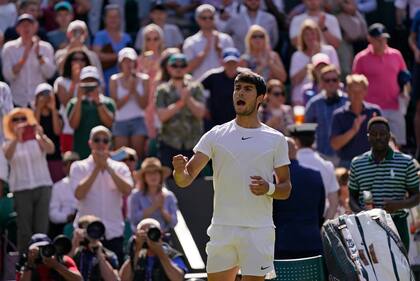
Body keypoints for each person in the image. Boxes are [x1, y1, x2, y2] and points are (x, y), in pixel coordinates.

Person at [172, 71, 292, 281]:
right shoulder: (215, 135)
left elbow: (286, 189)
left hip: (258, 230)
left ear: (260, 98)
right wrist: (179, 170)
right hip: (223, 228)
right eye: (237, 88)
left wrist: (269, 188)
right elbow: (185, 179)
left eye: (247, 89)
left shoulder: (276, 139)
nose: (240, 93)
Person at [349, 116, 420, 251]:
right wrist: (362, 213)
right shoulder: (357, 163)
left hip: (397, 223)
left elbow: (417, 196)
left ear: (389, 136)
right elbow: (352, 197)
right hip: (367, 225)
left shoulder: (405, 162)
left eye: (382, 134)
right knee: (372, 269)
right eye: (374, 134)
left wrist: (399, 204)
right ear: (368, 137)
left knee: (399, 268)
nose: (378, 138)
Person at [70, 125, 133, 264]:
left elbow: (127, 190)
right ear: (90, 143)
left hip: (113, 232)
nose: (101, 143)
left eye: (105, 140)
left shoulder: (120, 167)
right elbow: (79, 194)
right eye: (97, 139)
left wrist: (108, 168)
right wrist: (97, 168)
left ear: (109, 144)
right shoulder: (78, 167)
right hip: (85, 234)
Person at [2, 108, 55, 252]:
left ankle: (43, 263)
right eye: (16, 120)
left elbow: (51, 149)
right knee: (25, 230)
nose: (20, 122)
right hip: (21, 189)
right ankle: (26, 266)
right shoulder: (8, 142)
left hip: (42, 186)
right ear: (10, 124)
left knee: (42, 228)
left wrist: (41, 135)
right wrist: (16, 138)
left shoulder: (37, 139)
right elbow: (7, 155)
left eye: (23, 119)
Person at [352, 23, 408, 146]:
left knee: (398, 144)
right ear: (369, 39)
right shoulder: (361, 58)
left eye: (384, 39)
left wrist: (404, 93)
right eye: (378, 40)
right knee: (374, 145)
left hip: (394, 106)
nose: (382, 42)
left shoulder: (396, 55)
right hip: (371, 109)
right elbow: (354, 85)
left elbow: (404, 77)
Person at [274, 137, 325, 259]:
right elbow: (320, 210)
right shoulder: (315, 176)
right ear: (296, 150)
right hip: (312, 243)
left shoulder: (272, 180)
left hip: (282, 245)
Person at [155, 53, 206, 167]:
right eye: (174, 65)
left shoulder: (196, 87)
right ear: (168, 68)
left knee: (196, 182)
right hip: (169, 142)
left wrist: (188, 99)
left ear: (187, 67)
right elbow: (162, 116)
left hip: (193, 143)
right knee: (169, 180)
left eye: (182, 65)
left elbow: (200, 113)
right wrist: (181, 103)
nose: (178, 69)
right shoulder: (162, 90)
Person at [2, 13, 56, 107]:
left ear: (35, 27)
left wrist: (39, 56)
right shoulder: (9, 48)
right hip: (17, 101)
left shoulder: (46, 47)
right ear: (17, 29)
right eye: (23, 25)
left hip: (40, 101)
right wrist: (24, 57)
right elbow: (8, 76)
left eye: (29, 25)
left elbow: (50, 74)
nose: (26, 28)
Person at [288, 123, 339, 220]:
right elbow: (334, 203)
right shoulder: (327, 166)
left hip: (290, 221)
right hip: (317, 223)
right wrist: (323, 228)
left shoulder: (289, 164)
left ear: (296, 141)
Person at [330, 74, 382, 168]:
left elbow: (384, 139)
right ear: (347, 92)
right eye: (353, 91)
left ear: (365, 91)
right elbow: (335, 145)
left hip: (372, 163)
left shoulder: (374, 112)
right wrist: (353, 130)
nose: (357, 95)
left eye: (360, 91)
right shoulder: (339, 115)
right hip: (348, 164)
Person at [67, 66, 115, 159]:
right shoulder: (73, 103)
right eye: (86, 82)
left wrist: (98, 101)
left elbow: (109, 122)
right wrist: (79, 100)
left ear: (98, 84)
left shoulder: (108, 102)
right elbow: (73, 125)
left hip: (103, 152)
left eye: (92, 82)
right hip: (81, 151)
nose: (89, 86)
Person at [110, 48, 149, 161]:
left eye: (131, 61)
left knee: (137, 157)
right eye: (125, 61)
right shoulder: (114, 80)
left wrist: (134, 90)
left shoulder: (144, 79)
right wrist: (130, 92)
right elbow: (116, 106)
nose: (128, 64)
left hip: (138, 120)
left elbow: (143, 105)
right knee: (121, 158)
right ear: (120, 63)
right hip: (120, 121)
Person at [304, 65, 348, 165]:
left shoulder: (348, 101)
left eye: (334, 80)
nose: (331, 83)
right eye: (327, 80)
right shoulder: (314, 103)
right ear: (322, 83)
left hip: (344, 156)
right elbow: (306, 128)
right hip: (322, 155)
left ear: (339, 82)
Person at [289, 19, 339, 105]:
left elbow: (336, 73)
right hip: (300, 99)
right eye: (306, 35)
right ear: (302, 37)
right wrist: (312, 59)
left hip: (327, 97)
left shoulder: (329, 51)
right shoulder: (297, 55)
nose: (310, 37)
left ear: (318, 35)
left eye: (312, 33)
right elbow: (294, 81)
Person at [119, 218, 187, 281]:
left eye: (151, 232)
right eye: (144, 233)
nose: (148, 237)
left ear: (161, 235)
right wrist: (136, 250)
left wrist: (160, 253)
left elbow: (178, 278)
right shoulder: (136, 256)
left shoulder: (172, 255)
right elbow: (123, 279)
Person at [55, 48, 93, 153]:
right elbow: (67, 104)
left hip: (87, 128)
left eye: (82, 59)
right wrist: (75, 82)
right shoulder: (61, 82)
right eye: (75, 59)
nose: (79, 62)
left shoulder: (92, 81)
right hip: (68, 129)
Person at [183, 4, 234, 80]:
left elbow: (232, 65)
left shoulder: (226, 39)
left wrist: (219, 51)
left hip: (222, 86)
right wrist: (204, 52)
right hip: (200, 86)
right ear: (197, 19)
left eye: (211, 17)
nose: (208, 20)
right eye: (204, 18)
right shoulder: (190, 41)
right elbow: (187, 68)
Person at [200, 47, 246, 129]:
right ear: (222, 62)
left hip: (241, 122)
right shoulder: (213, 76)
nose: (231, 65)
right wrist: (204, 107)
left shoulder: (246, 77)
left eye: (233, 62)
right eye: (228, 63)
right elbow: (196, 89)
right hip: (215, 122)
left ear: (239, 62)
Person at [129, 157, 178, 233]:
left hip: (162, 238)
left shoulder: (169, 196)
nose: (153, 176)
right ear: (144, 177)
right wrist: (155, 206)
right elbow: (133, 220)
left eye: (155, 172)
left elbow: (174, 222)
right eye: (149, 173)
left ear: (160, 175)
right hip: (141, 238)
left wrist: (162, 210)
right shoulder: (135, 195)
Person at [92, 4, 132, 95]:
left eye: (116, 17)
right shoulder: (100, 36)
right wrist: (120, 56)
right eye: (110, 17)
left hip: (124, 80)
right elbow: (97, 55)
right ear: (104, 19)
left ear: (120, 19)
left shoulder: (127, 37)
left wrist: (110, 57)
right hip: (105, 78)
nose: (113, 20)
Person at [72, 215, 120, 281]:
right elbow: (62, 266)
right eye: (89, 230)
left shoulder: (109, 255)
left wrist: (99, 253)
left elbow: (113, 279)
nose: (92, 233)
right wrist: (75, 243)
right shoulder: (75, 252)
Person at [17, 233, 82, 281]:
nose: (41, 252)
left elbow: (79, 279)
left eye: (44, 248)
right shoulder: (25, 263)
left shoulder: (63, 260)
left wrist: (57, 266)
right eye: (38, 249)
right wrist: (29, 265)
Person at [34, 83, 64, 183]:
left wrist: (53, 108)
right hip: (38, 158)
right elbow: (35, 130)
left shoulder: (57, 115)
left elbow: (57, 131)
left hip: (55, 158)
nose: (45, 97)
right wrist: (38, 108)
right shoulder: (32, 115)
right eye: (42, 95)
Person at [49, 151, 79, 239]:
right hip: (63, 227)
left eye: (74, 163)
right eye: (66, 163)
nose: (70, 166)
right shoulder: (57, 187)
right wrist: (67, 217)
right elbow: (53, 214)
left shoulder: (87, 183)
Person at [409, 9, 420, 159]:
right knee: (418, 108)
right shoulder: (418, 14)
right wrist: (416, 50)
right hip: (419, 65)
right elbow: (411, 38)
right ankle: (419, 148)